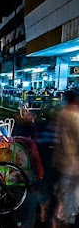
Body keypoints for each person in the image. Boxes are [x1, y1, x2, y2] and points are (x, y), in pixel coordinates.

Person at [51, 88, 79, 227]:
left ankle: (59, 217)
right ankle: (62, 219)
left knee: (64, 195)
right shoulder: (75, 116)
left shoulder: (63, 112)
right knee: (69, 199)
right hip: (72, 163)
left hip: (62, 160)